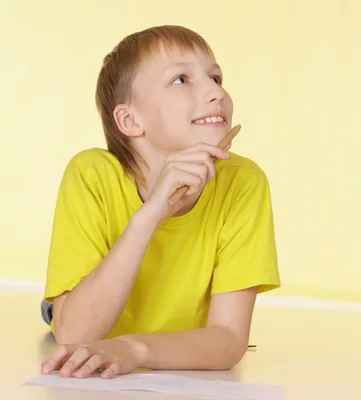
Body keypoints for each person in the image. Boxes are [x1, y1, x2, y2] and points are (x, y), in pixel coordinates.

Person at [39, 25, 281, 379]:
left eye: (216, 76)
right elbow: (75, 337)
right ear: (130, 120)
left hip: (164, 335)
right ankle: (55, 303)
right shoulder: (89, 173)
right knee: (60, 313)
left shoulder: (244, 183)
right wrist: (150, 215)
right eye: (181, 79)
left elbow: (228, 339)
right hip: (86, 306)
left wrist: (133, 348)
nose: (216, 91)